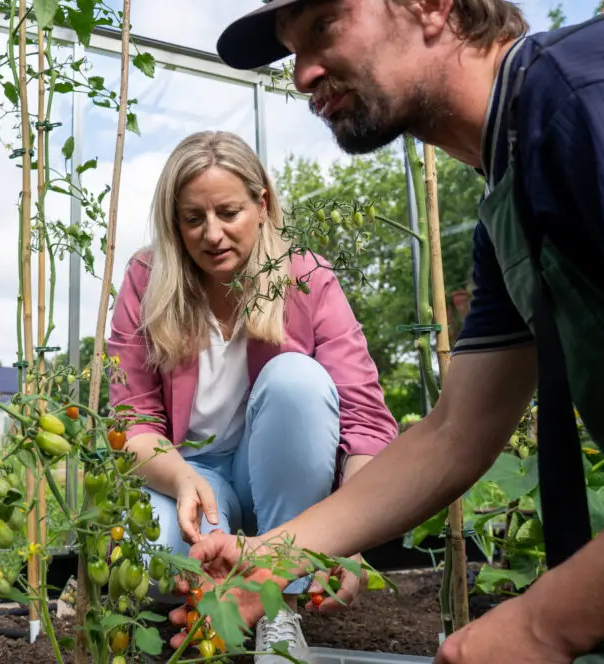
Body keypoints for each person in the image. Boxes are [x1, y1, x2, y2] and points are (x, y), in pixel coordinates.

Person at [183, 0, 604, 664]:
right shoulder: (512, 195)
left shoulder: (596, 93)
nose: (301, 75)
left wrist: (542, 623)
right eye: (292, 53)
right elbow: (455, 433)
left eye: (324, 27)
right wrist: (274, 553)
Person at [106, 130, 399, 661]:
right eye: (193, 218)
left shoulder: (305, 277)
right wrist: (183, 479)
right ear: (175, 223)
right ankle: (218, 605)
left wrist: (347, 536)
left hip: (281, 478)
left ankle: (279, 609)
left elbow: (365, 422)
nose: (212, 234)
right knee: (153, 553)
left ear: (261, 205)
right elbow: (134, 422)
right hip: (193, 476)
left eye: (228, 213)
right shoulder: (147, 280)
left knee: (297, 380)